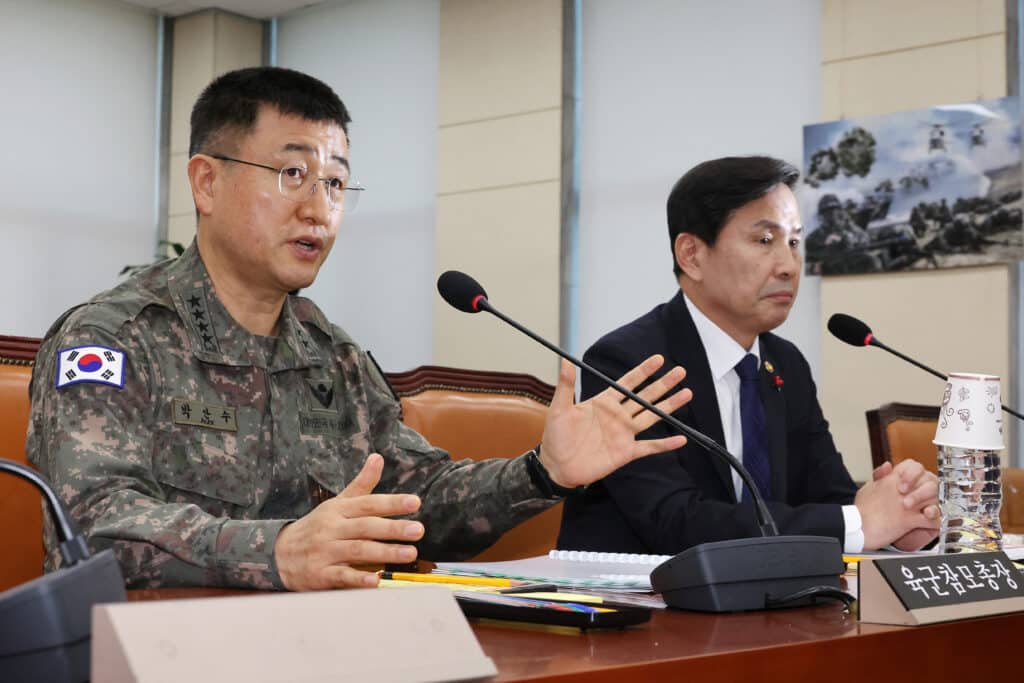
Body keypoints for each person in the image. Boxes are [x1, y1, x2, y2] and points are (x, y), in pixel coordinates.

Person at [27, 67, 693, 591]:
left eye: (337, 183)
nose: (319, 208)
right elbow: (92, 525)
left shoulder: (333, 356)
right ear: (206, 182)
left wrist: (543, 472)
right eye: (292, 174)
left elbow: (417, 504)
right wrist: (281, 550)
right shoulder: (113, 338)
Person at [558, 156, 939, 555]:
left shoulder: (785, 363)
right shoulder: (630, 361)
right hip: (641, 605)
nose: (790, 266)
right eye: (765, 241)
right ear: (691, 255)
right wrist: (860, 522)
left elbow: (831, 496)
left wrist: (901, 519)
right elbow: (674, 522)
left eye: (794, 242)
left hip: (765, 601)